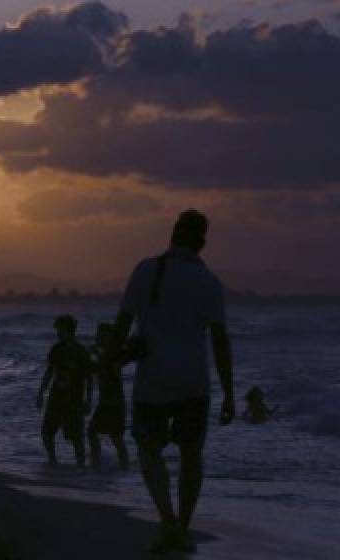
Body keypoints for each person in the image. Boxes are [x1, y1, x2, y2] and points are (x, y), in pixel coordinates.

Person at [107, 210, 235, 555]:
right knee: (192, 455)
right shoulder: (209, 283)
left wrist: (110, 363)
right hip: (195, 382)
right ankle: (183, 526)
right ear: (202, 242)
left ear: (172, 235)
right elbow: (221, 342)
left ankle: (167, 521)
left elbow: (122, 323)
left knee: (150, 451)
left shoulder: (147, 270)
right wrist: (229, 393)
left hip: (153, 381)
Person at [36, 314, 93, 466]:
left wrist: (89, 399)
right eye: (57, 330)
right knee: (47, 432)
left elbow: (89, 378)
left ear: (69, 330)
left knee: (76, 437)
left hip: (73, 400)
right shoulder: (56, 349)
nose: (58, 333)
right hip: (55, 397)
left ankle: (81, 466)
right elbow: (49, 372)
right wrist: (41, 393)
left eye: (60, 330)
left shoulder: (81, 351)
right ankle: (53, 461)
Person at [87, 322, 130, 470]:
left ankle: (124, 467)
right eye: (98, 334)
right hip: (105, 403)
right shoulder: (106, 354)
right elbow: (94, 369)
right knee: (93, 432)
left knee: (116, 438)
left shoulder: (114, 354)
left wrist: (96, 354)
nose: (97, 337)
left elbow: (108, 367)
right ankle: (96, 464)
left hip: (115, 404)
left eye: (101, 334)